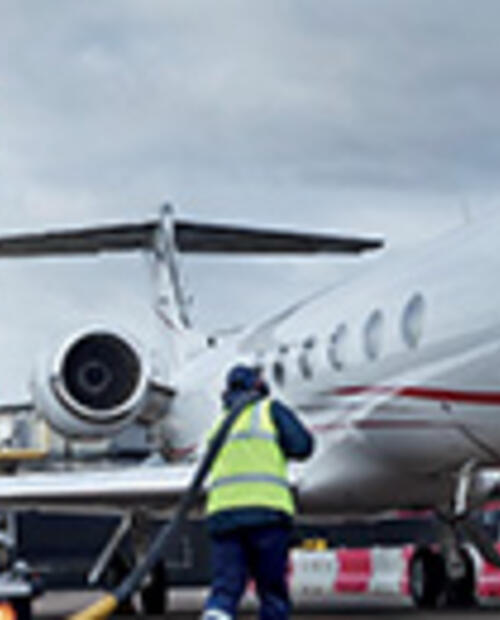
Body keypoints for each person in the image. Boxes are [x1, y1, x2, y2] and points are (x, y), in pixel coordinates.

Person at [202, 364, 314, 620]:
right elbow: (303, 446)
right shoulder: (269, 411)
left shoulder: (219, 425)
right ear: (258, 386)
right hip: (266, 515)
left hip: (224, 517)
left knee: (225, 591)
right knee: (271, 591)